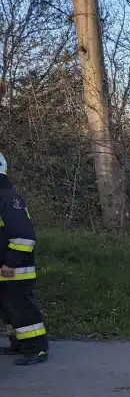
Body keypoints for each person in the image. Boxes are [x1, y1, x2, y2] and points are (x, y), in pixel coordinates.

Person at [0, 153, 48, 365]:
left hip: (15, 269)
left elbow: (25, 236)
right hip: (5, 268)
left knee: (21, 309)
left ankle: (36, 348)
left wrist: (10, 263)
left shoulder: (8, 199)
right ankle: (19, 343)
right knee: (8, 310)